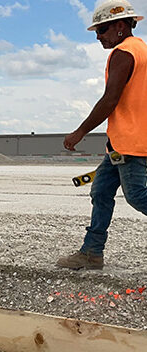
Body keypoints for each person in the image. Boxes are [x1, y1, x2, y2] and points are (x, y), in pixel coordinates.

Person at [59, 0, 147, 270]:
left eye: (102, 29)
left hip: (131, 142)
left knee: (137, 196)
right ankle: (92, 252)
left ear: (121, 26)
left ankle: (92, 251)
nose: (98, 37)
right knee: (100, 190)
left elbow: (110, 100)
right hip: (120, 144)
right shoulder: (141, 49)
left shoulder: (125, 52)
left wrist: (80, 132)